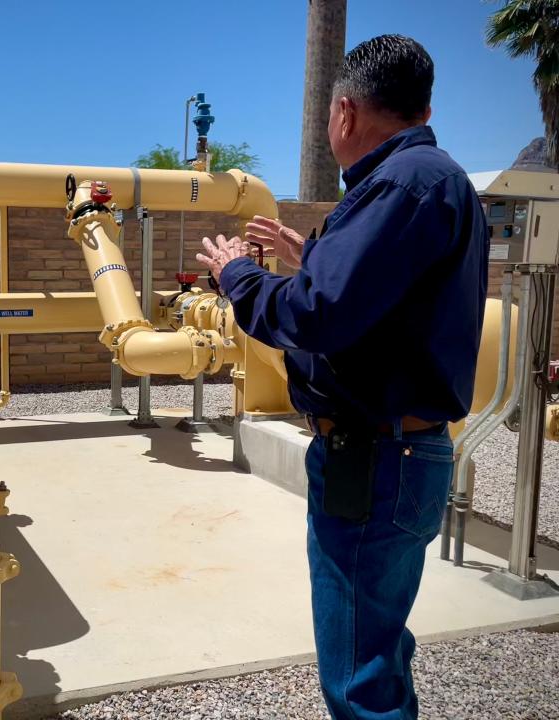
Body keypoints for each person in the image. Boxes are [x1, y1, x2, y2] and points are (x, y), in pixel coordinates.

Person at [196, 35, 489, 720]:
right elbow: (379, 306)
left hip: (375, 463)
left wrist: (236, 275)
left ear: (346, 114)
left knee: (359, 674)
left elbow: (318, 315)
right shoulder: (432, 180)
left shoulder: (403, 185)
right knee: (377, 647)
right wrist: (313, 254)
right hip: (399, 454)